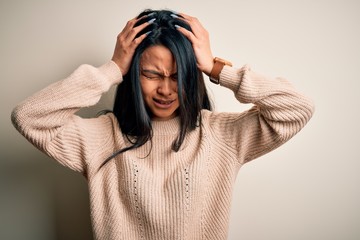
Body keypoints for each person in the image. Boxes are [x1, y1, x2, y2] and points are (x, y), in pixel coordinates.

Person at [11, 9, 314, 240]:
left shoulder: (221, 135)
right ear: (132, 75)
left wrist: (215, 67)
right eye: (152, 74)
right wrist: (112, 68)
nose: (166, 90)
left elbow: (297, 108)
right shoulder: (101, 137)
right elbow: (29, 117)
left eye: (177, 76)